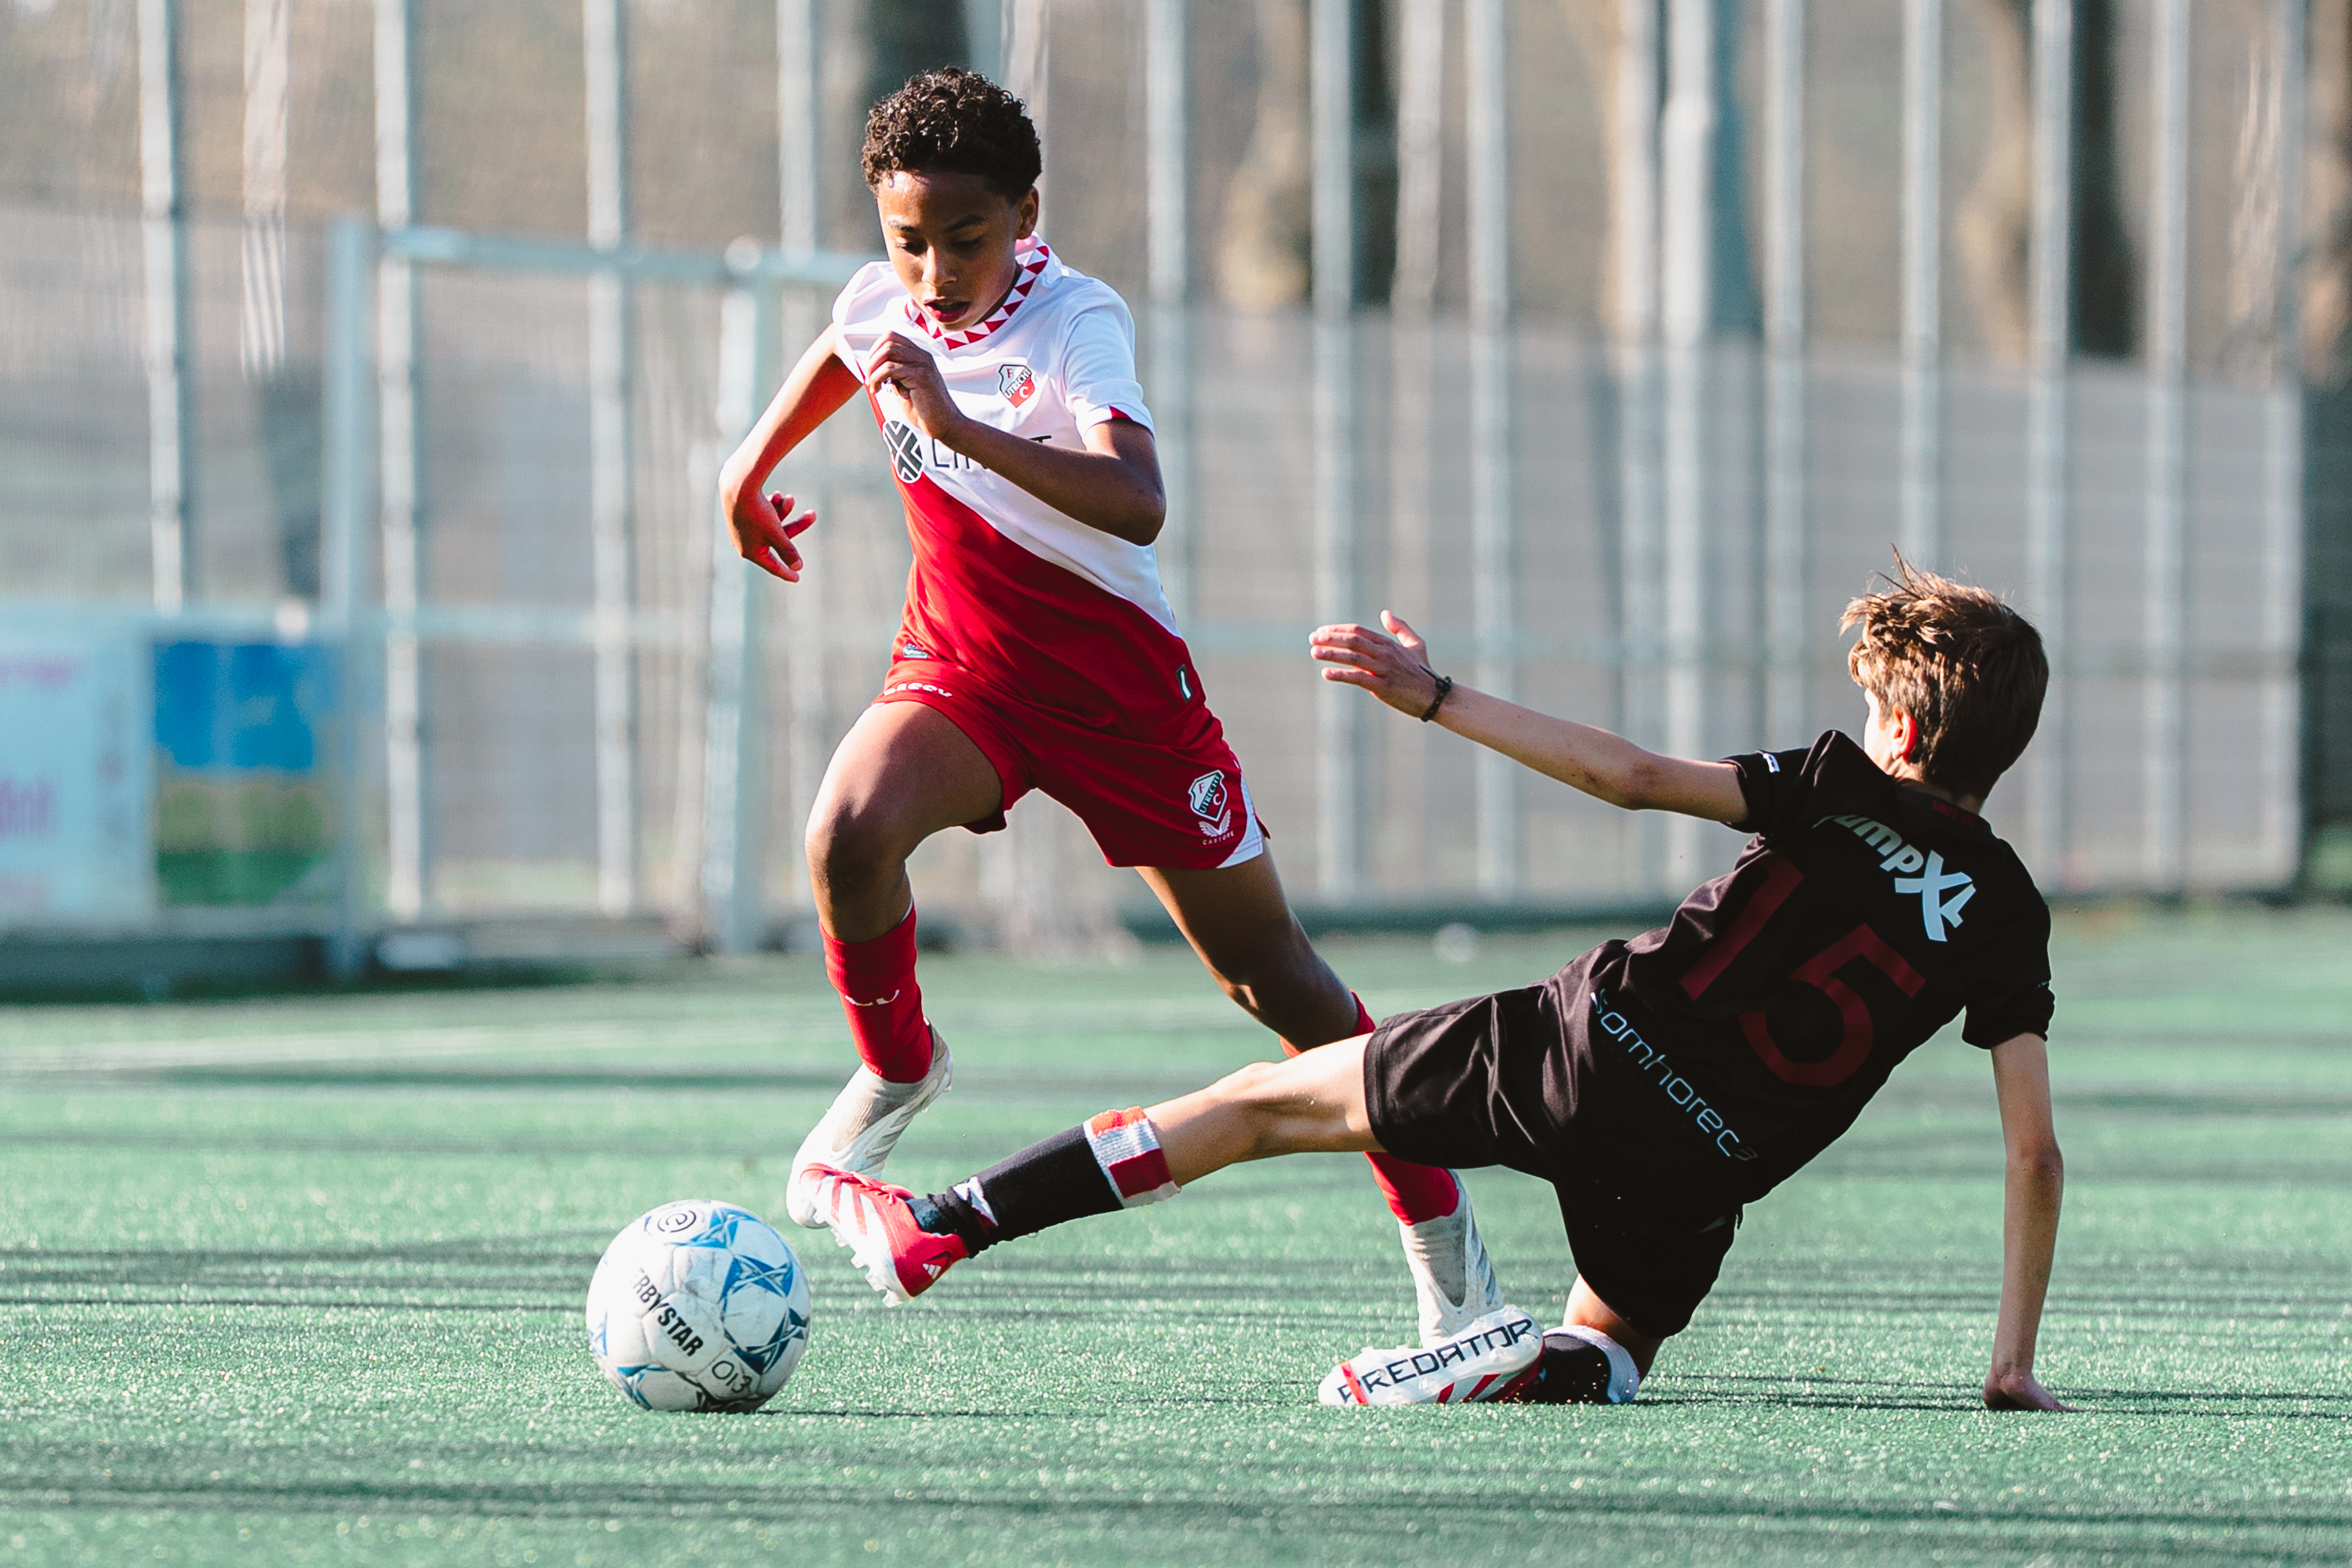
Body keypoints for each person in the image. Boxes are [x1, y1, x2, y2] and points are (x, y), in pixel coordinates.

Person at [803, 562, 2073, 1411]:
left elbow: (1627, 777)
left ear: (1898, 735)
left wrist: (1439, 698)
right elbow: (2033, 1158)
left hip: (1590, 1048)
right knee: (1612, 1350)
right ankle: (1525, 1365)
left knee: (1261, 1105)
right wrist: (2008, 1364)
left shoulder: (1839, 785)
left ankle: (952, 1222)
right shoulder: (2010, 917)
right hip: (1710, 1162)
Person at [717, 67, 1490, 1347]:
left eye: (965, 239)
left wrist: (960, 428)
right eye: (908, 240)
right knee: (847, 831)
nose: (933, 270)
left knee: (1274, 986)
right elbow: (844, 346)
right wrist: (748, 470)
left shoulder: (1079, 318)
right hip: (966, 676)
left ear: (1025, 211)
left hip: (1125, 703)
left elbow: (1137, 498)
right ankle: (903, 1065)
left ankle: (1443, 1236)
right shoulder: (885, 303)